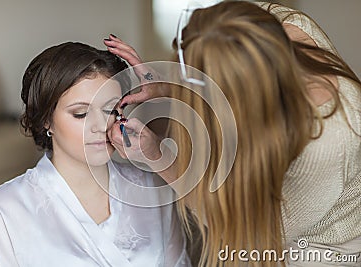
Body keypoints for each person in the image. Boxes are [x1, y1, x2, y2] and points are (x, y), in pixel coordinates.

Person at [105, 1, 361, 266]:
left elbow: (249, 233)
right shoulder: (270, 25)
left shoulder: (326, 142)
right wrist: (167, 87)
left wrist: (158, 157)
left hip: (318, 247)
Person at [0, 42, 190, 267]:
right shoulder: (7, 209)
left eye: (109, 109)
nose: (99, 125)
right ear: (47, 120)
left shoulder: (152, 189)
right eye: (81, 113)